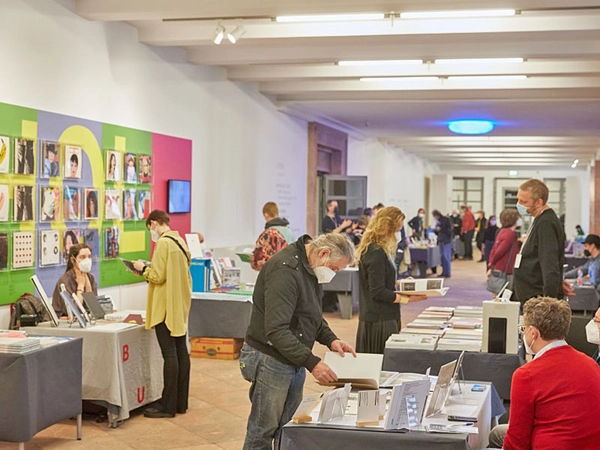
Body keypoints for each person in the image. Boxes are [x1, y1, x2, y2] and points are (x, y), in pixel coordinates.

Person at [241, 232, 357, 449]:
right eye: (334, 269)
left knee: (288, 426)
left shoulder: (311, 267)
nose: (333, 274)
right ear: (324, 253)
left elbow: (310, 314)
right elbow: (276, 331)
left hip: (292, 356)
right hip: (270, 357)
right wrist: (313, 363)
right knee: (263, 430)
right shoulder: (285, 271)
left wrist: (332, 340)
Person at [499, 297, 600, 450]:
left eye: (524, 329)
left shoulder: (526, 375)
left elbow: (516, 441)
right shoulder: (590, 364)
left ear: (533, 333)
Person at [133, 210, 192, 419]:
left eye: (150, 228)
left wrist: (142, 269)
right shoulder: (180, 242)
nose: (151, 232)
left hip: (165, 307)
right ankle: (180, 402)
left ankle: (167, 406)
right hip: (179, 306)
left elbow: (157, 276)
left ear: (154, 223)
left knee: (170, 356)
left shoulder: (163, 244)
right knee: (181, 352)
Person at [356, 206, 427, 354]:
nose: (399, 232)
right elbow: (377, 291)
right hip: (379, 320)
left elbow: (380, 280)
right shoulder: (375, 252)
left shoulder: (380, 250)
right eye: (398, 228)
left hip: (385, 316)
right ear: (388, 227)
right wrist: (407, 299)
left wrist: (400, 283)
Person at [512, 179, 572, 305]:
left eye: (524, 201)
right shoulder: (539, 219)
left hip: (537, 301)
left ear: (539, 202)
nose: (519, 204)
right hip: (529, 296)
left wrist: (548, 303)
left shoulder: (546, 223)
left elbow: (549, 265)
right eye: (518, 200)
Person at [52, 244, 97, 317]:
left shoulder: (91, 278)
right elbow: (74, 311)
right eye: (82, 257)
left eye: (89, 257)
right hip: (64, 322)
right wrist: (81, 287)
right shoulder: (65, 281)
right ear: (73, 260)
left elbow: (94, 309)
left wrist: (88, 287)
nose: (87, 260)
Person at [251, 202, 295, 271]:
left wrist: (254, 260)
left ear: (266, 215)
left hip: (274, 274)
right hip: (289, 273)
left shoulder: (268, 234)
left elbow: (262, 260)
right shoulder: (290, 232)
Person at [487, 209, 520, 293]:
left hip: (499, 268)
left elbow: (494, 250)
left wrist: (491, 264)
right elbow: (500, 251)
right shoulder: (510, 234)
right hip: (506, 270)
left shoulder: (501, 231)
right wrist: (491, 264)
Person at [432, 209, 453, 278]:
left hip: (446, 241)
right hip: (441, 240)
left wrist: (441, 229)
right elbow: (436, 231)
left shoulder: (445, 220)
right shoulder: (439, 221)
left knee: (446, 257)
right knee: (442, 257)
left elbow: (449, 230)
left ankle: (448, 272)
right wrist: (436, 231)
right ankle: (444, 272)